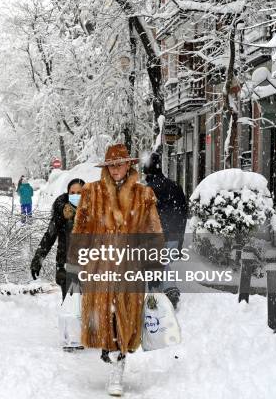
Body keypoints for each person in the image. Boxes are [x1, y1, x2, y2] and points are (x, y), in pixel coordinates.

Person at [72, 144, 163, 397]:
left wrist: (154, 264)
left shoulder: (143, 195)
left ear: (129, 165)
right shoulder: (91, 192)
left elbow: (153, 231)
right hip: (99, 265)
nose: (115, 170)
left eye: (119, 164)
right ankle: (109, 353)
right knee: (104, 318)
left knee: (125, 318)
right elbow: (80, 230)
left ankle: (118, 367)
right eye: (111, 165)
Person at [30, 178, 86, 351]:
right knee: (70, 301)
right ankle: (70, 339)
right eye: (73, 193)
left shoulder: (94, 211)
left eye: (80, 193)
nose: (76, 196)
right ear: (68, 194)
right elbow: (49, 236)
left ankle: (80, 336)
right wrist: (38, 259)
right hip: (66, 263)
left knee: (83, 302)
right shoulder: (62, 213)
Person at [143, 152, 188, 309]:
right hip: (174, 235)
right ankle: (168, 291)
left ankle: (162, 294)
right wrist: (180, 239)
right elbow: (183, 213)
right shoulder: (175, 186)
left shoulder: (148, 190)